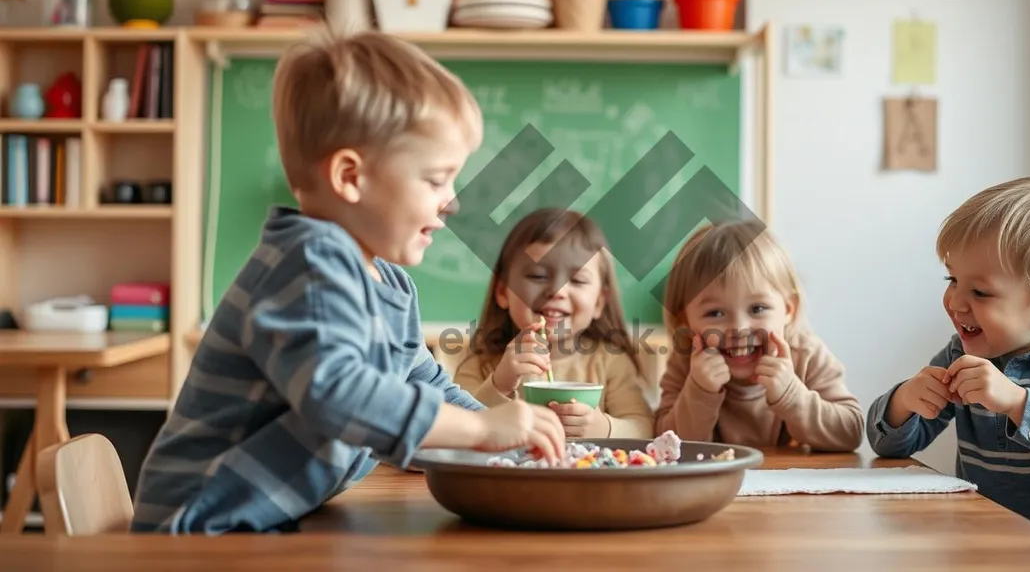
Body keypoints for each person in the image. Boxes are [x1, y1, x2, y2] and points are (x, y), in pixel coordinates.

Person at [131, 31, 565, 534]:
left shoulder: (389, 284)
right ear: (350, 176)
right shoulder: (310, 263)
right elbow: (339, 393)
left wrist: (499, 441)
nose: (452, 201)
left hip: (258, 522)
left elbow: (424, 385)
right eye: (435, 179)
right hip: (199, 528)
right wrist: (482, 429)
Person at [866, 172, 1030, 532]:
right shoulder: (960, 354)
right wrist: (903, 402)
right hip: (991, 542)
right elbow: (889, 447)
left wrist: (1018, 403)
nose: (954, 301)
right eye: (952, 280)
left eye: (980, 292)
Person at [654, 220, 864, 450]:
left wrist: (792, 396)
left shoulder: (805, 355)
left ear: (788, 309)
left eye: (757, 309)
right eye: (715, 313)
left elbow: (850, 433)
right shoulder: (687, 364)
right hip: (717, 486)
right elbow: (665, 446)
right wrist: (699, 392)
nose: (739, 328)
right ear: (685, 321)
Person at [454, 208, 655, 439]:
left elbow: (644, 428)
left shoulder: (611, 361)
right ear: (503, 292)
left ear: (599, 301)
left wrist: (605, 428)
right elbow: (457, 429)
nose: (557, 291)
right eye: (538, 276)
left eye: (578, 280)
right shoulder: (480, 362)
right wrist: (500, 384)